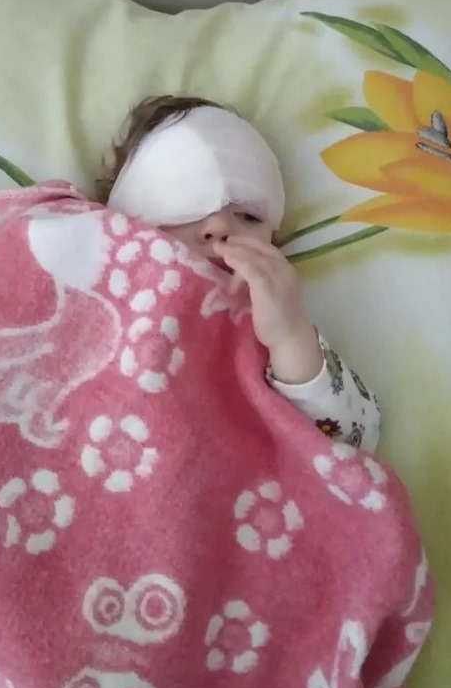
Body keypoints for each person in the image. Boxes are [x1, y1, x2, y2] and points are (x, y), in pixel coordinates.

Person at [96, 95, 380, 453]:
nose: (219, 226)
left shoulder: (266, 322)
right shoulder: (90, 280)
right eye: (184, 202)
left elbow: (355, 441)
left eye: (249, 216)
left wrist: (288, 336)